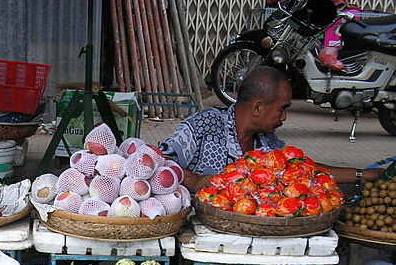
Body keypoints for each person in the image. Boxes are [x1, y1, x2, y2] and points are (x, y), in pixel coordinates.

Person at [159, 65, 383, 193]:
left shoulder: (268, 143)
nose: (284, 117)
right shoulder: (202, 126)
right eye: (281, 109)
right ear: (258, 107)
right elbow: (161, 163)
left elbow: (303, 169)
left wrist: (361, 174)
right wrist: (193, 180)